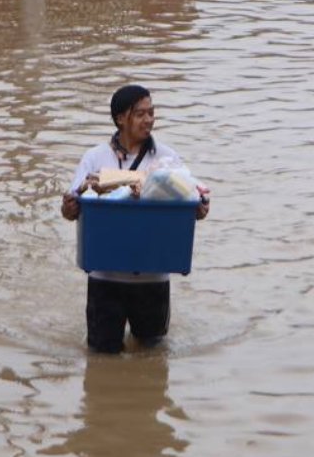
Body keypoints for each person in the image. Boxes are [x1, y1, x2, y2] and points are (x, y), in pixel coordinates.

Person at [61, 85, 210, 354]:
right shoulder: (95, 157)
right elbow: (72, 209)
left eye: (152, 113)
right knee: (102, 354)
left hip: (152, 279)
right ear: (121, 119)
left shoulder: (166, 158)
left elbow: (191, 198)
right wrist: (69, 207)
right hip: (105, 277)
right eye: (141, 114)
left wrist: (200, 207)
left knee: (153, 354)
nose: (149, 119)